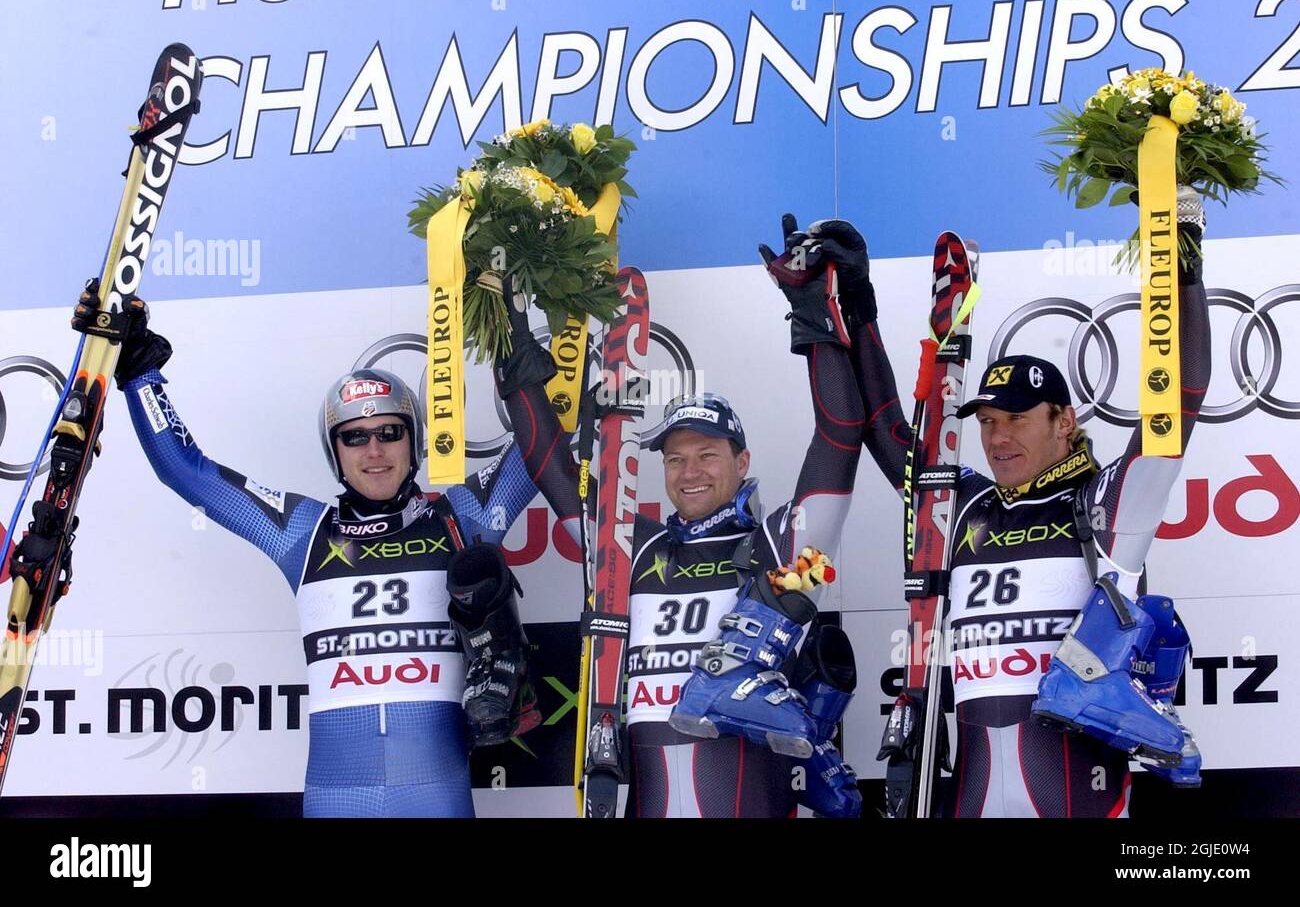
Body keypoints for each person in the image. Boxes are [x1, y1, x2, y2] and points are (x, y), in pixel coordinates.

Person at [71, 285, 542, 818]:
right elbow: (188, 472)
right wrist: (139, 373)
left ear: (414, 440)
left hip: (437, 796)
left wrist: (530, 347)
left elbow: (542, 447)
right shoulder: (303, 531)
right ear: (333, 451)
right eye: (354, 437)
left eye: (389, 432)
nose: (375, 451)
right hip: (338, 801)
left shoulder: (463, 518)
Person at [822, 198, 1210, 817]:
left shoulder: (1105, 503)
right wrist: (856, 304)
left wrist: (1179, 243)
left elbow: (1181, 399)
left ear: (1065, 421)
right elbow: (882, 427)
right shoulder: (959, 506)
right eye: (989, 422)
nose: (998, 438)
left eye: (1018, 420)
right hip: (970, 796)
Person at [490, 216, 872, 817]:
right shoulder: (628, 548)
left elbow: (842, 437)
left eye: (707, 455)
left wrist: (814, 316)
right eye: (675, 458)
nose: (690, 472)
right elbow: (552, 471)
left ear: (742, 461)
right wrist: (508, 341)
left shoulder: (785, 546)